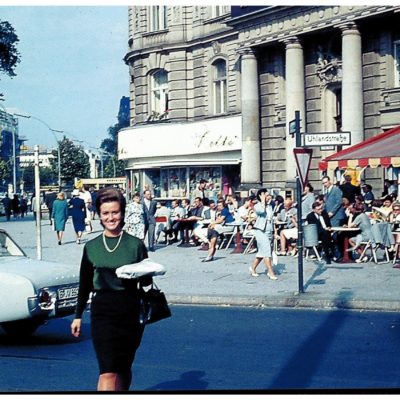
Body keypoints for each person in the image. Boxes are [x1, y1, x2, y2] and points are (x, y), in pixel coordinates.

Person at [71, 187, 150, 391]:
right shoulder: (92, 246)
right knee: (107, 370)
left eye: (115, 212)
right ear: (99, 215)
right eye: (106, 213)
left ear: (122, 212)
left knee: (123, 367)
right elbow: (85, 283)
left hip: (130, 311)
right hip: (103, 311)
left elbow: (147, 283)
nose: (111, 217)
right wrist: (78, 315)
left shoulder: (135, 245)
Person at [249, 188, 277, 280]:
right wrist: (262, 201)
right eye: (267, 195)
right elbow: (261, 211)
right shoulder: (257, 205)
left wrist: (274, 232)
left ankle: (253, 267)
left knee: (262, 252)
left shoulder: (270, 206)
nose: (269, 197)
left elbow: (271, 219)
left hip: (269, 230)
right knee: (267, 252)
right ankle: (270, 272)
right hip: (261, 230)